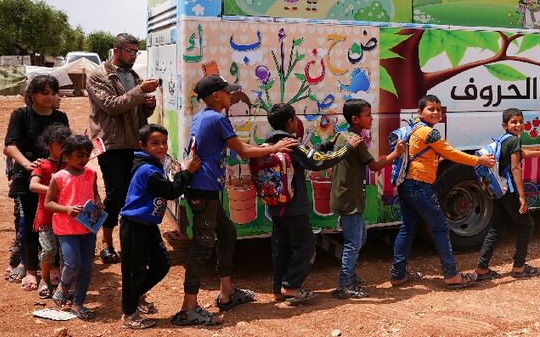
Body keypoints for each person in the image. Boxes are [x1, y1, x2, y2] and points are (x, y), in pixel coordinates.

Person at [172, 75, 297, 327]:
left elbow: (239, 145)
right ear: (217, 96)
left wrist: (265, 146)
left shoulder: (202, 116)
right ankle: (188, 307)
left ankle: (227, 293)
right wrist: (276, 148)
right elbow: (243, 151)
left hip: (205, 189)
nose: (231, 96)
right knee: (202, 246)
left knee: (227, 234)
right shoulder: (218, 118)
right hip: (203, 190)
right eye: (228, 93)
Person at [253, 103, 363, 305]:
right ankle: (292, 287)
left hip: (275, 205)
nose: (297, 122)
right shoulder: (292, 143)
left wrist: (328, 144)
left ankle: (279, 288)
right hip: (294, 206)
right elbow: (318, 161)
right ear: (289, 122)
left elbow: (310, 155)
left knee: (282, 246)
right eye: (295, 118)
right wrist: (346, 148)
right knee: (306, 245)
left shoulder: (269, 142)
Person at [390, 95, 496, 290]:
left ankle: (398, 275)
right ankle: (451, 275)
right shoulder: (430, 133)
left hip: (407, 185)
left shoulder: (416, 130)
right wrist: (478, 160)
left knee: (407, 229)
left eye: (439, 109)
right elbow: (451, 153)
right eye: (431, 109)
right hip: (420, 186)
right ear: (420, 112)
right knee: (440, 228)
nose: (436, 112)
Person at [119, 124, 200, 329]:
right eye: (155, 143)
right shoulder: (147, 169)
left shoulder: (154, 164)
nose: (162, 147)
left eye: (164, 142)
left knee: (162, 264)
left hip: (147, 224)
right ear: (142, 145)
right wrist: (187, 173)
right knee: (133, 271)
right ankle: (129, 314)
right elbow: (171, 191)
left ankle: (136, 296)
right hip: (134, 225)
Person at [86, 33, 157, 265]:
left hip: (134, 143)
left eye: (137, 52)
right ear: (116, 51)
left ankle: (129, 240)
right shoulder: (99, 75)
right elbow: (112, 106)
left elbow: (137, 112)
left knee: (133, 193)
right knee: (115, 194)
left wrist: (148, 105)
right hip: (111, 144)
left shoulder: (133, 76)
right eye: (130, 51)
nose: (134, 56)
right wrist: (139, 93)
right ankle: (104, 242)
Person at [329, 99, 406, 299]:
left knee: (360, 236)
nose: (372, 118)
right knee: (353, 242)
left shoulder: (342, 134)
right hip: (350, 199)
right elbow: (374, 167)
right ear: (356, 119)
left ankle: (350, 277)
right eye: (368, 115)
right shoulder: (356, 141)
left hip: (346, 196)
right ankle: (344, 285)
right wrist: (396, 153)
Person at [3, 74, 69, 292]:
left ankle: (53, 268)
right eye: (45, 92)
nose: (50, 97)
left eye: (53, 92)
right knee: (31, 225)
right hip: (27, 179)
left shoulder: (61, 116)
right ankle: (31, 270)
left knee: (57, 224)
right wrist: (28, 164)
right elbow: (10, 146)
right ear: (32, 95)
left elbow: (66, 147)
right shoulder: (21, 115)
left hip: (56, 179)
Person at [475, 108, 540, 281]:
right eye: (513, 122)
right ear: (505, 125)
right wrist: (521, 196)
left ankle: (482, 268)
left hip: (498, 191)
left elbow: (522, 154)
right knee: (526, 225)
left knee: (496, 228)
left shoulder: (505, 140)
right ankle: (519, 266)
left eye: (520, 121)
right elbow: (515, 168)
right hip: (510, 191)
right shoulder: (514, 141)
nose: (518, 124)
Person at [44, 135, 102, 320]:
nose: (84, 160)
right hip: (66, 228)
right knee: (73, 262)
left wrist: (99, 203)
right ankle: (63, 286)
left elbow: (95, 195)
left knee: (86, 266)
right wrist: (67, 209)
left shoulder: (91, 174)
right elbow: (48, 203)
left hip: (87, 227)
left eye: (87, 155)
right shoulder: (59, 177)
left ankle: (78, 304)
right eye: (79, 155)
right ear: (67, 155)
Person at [29, 123, 73, 299]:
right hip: (46, 217)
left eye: (66, 143)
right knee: (48, 251)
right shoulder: (44, 165)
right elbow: (33, 185)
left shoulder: (72, 164)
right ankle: (44, 280)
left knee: (65, 254)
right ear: (48, 145)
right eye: (59, 143)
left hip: (66, 217)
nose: (63, 147)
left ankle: (64, 285)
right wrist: (54, 189)